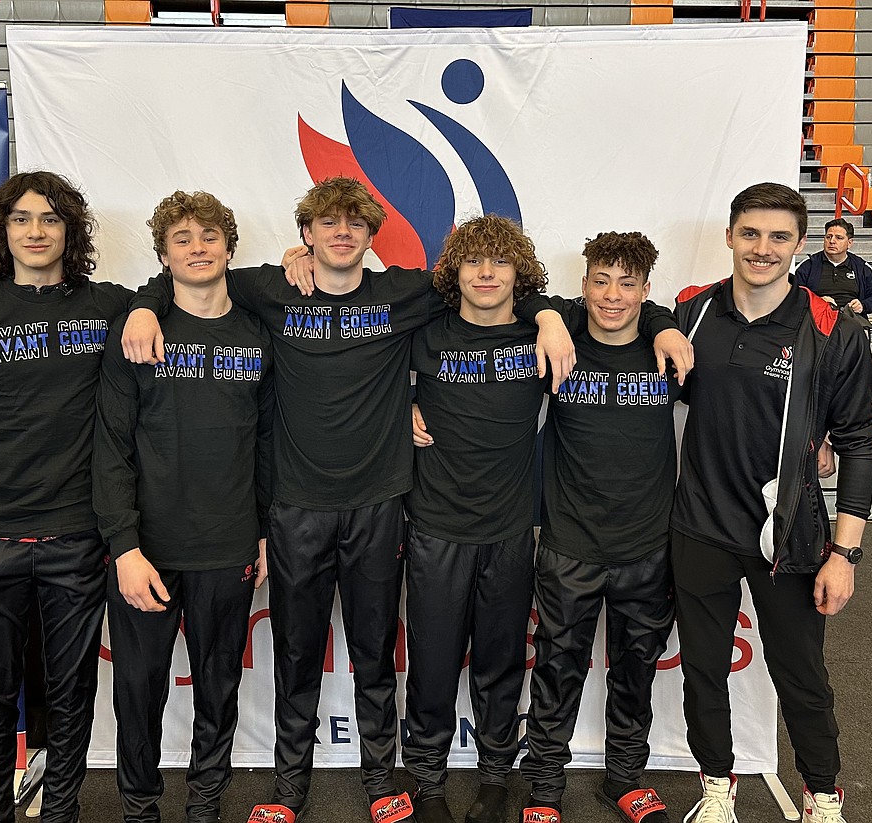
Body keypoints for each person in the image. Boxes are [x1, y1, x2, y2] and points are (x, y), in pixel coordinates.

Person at [121, 177, 586, 823]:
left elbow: (498, 285)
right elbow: (190, 277)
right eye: (327, 223)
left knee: (374, 653)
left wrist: (552, 316)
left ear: (371, 237)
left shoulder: (406, 292)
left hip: (379, 504)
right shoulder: (269, 288)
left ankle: (378, 780)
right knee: (296, 653)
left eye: (355, 224)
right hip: (295, 507)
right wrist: (144, 306)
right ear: (305, 234)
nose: (342, 232)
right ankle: (289, 789)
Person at [0, 171, 131, 823]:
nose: (35, 231)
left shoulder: (109, 308)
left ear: (70, 231)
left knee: (71, 693)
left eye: (49, 218)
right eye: (21, 219)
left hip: (75, 540)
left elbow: (191, 296)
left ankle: (60, 811)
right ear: (1, 231)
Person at [672, 183, 872, 823]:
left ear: (798, 245)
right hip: (700, 524)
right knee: (703, 671)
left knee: (801, 676)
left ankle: (822, 793)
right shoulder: (691, 313)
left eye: (779, 237)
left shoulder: (832, 328)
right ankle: (716, 785)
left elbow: (860, 444)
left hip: (785, 533)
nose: (762, 249)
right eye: (752, 234)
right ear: (731, 236)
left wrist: (844, 553)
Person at [93, 190, 274, 823]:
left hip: (228, 544)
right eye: (182, 239)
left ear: (229, 245)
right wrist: (123, 546)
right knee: (137, 691)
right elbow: (109, 448)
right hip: (147, 550)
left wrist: (263, 532)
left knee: (219, 686)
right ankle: (140, 807)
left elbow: (270, 441)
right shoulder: (139, 334)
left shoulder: (258, 334)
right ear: (163, 254)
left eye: (208, 237)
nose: (197, 248)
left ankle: (204, 803)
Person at [519, 232, 679, 823]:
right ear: (582, 284)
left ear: (645, 291)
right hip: (570, 546)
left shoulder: (670, 350)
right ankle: (543, 789)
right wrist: (549, 315)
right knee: (557, 670)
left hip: (647, 546)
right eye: (600, 281)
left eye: (627, 283)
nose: (612, 296)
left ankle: (625, 777)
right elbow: (494, 304)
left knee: (636, 670)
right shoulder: (556, 346)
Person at [402, 215, 550, 823]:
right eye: (473, 262)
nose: (486, 273)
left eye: (500, 262)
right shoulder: (423, 334)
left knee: (500, 662)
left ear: (521, 275)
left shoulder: (541, 336)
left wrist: (549, 316)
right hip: (436, 526)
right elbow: (358, 374)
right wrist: (402, 407)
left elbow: (621, 307)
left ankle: (495, 779)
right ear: (453, 273)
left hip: (511, 528)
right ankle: (427, 779)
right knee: (433, 662)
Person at [794, 218, 872, 330]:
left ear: (849, 243)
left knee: (858, 332)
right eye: (828, 237)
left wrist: (862, 305)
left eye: (839, 238)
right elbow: (793, 295)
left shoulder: (861, 267)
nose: (832, 241)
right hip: (817, 322)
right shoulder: (808, 265)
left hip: (851, 321)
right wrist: (817, 302)